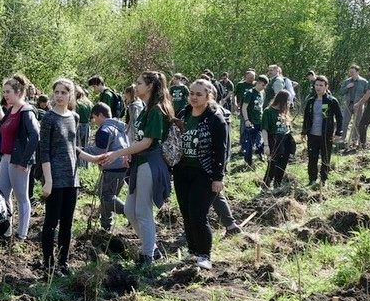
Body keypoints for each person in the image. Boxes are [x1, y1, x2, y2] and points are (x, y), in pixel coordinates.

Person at [95, 72, 173, 266]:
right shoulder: (146, 108)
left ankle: (147, 256)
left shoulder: (156, 110)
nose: (135, 86)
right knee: (130, 210)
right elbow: (138, 139)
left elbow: (147, 142)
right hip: (139, 162)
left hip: (151, 163)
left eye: (139, 83)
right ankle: (152, 248)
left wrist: (118, 153)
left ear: (150, 86)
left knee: (142, 210)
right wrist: (129, 153)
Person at [171, 79, 228, 270]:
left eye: (198, 94)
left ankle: (204, 254)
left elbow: (221, 150)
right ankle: (193, 251)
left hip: (204, 173)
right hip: (182, 171)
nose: (193, 97)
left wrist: (218, 178)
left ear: (208, 96)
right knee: (186, 213)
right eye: (191, 93)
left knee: (198, 214)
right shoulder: (184, 114)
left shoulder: (215, 119)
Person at [39, 78, 80, 275]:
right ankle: (48, 265)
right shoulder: (48, 118)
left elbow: (73, 147)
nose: (59, 96)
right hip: (54, 178)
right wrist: (48, 180)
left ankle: (63, 263)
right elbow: (44, 151)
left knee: (67, 223)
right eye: (57, 92)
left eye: (64, 92)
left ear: (70, 95)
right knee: (51, 223)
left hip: (72, 178)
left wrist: (95, 158)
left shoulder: (74, 117)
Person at [0, 74, 40, 241]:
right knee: (3, 194)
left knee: (21, 197)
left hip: (18, 161)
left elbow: (35, 136)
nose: (5, 95)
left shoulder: (26, 111)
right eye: (4, 92)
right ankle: (6, 231)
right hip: (6, 158)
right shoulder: (10, 110)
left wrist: (25, 161)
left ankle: (22, 234)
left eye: (8, 92)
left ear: (19, 92)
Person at [79, 103, 129, 230]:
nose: (94, 121)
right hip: (122, 167)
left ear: (100, 115)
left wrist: (81, 151)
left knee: (105, 195)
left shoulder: (104, 130)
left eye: (94, 117)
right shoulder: (119, 127)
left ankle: (130, 212)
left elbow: (99, 152)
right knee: (109, 197)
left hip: (112, 167)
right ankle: (106, 226)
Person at [301, 75, 343, 187]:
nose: (318, 87)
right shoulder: (311, 101)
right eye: (316, 85)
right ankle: (312, 179)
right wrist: (304, 132)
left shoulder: (331, 101)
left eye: (321, 85)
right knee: (312, 157)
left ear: (326, 86)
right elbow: (306, 117)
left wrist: (338, 132)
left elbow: (339, 117)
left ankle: (323, 180)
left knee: (325, 157)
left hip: (325, 135)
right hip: (312, 134)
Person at [261, 90, 295, 189]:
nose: (288, 103)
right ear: (281, 100)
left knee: (283, 163)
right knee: (273, 163)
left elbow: (288, 127)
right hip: (274, 139)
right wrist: (266, 145)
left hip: (286, 139)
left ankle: (277, 184)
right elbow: (264, 129)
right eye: (287, 101)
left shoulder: (284, 110)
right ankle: (266, 184)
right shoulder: (268, 111)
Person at [241, 75, 267, 166]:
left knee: (263, 139)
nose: (264, 87)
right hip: (251, 121)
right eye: (263, 85)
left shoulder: (262, 93)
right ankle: (248, 161)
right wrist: (246, 120)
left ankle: (259, 152)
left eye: (265, 86)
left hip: (260, 121)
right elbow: (244, 108)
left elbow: (260, 108)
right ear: (258, 83)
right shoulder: (250, 93)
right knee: (250, 142)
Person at [340, 65, 367, 148]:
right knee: (345, 121)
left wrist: (361, 103)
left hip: (359, 105)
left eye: (353, 72)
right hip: (348, 104)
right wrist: (347, 87)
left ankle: (354, 140)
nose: (351, 73)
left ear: (357, 72)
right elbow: (341, 92)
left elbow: (367, 94)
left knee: (357, 123)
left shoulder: (364, 82)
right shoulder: (347, 81)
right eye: (350, 72)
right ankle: (342, 139)